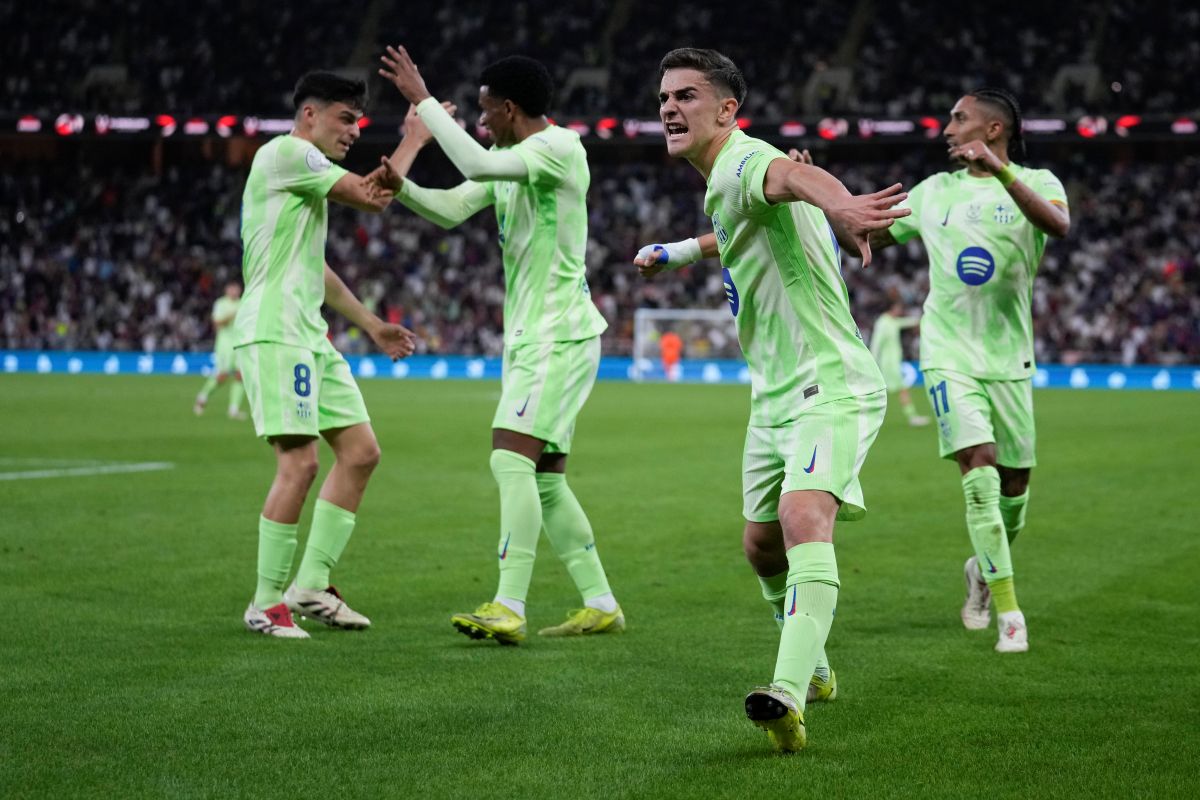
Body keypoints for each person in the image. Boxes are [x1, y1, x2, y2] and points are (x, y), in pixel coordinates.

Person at [633, 48, 908, 752]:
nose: (669, 106)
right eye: (664, 95)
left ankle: (785, 696)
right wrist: (679, 252)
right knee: (760, 549)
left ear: (726, 110)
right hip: (774, 395)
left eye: (687, 95)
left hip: (831, 381)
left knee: (802, 516)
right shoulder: (724, 183)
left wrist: (839, 199)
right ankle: (813, 667)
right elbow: (740, 226)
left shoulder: (741, 161)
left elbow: (791, 174)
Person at [372, 47, 623, 644]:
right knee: (544, 479)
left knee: (509, 458)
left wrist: (423, 101)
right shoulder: (514, 161)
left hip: (558, 335)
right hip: (536, 338)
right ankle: (601, 601)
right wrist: (402, 187)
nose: (481, 123)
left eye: (485, 112)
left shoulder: (559, 149)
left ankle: (509, 604)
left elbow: (476, 166)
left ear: (510, 109)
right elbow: (455, 207)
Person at [869, 89, 1070, 654]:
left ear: (995, 127)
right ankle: (1009, 612)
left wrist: (1001, 172)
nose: (947, 128)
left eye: (959, 119)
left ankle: (982, 570)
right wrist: (818, 208)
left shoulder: (1040, 181)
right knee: (978, 472)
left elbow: (1058, 226)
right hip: (946, 353)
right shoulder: (935, 193)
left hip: (1008, 358)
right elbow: (870, 236)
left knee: (1015, 489)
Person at [236, 71, 415, 639]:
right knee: (301, 464)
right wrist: (414, 138)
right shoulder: (287, 153)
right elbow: (372, 195)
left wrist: (372, 326)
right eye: (346, 119)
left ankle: (310, 583)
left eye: (359, 123)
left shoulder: (303, 181)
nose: (354, 132)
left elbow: (317, 269)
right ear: (309, 114)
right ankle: (266, 603)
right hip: (276, 330)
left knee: (360, 452)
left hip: (309, 334)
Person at [193, 281, 248, 420]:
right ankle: (202, 397)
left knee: (240, 375)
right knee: (222, 376)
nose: (234, 291)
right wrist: (232, 315)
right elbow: (217, 323)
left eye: (236, 289)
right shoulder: (221, 303)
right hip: (225, 345)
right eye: (232, 289)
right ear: (226, 290)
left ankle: (233, 410)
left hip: (240, 343)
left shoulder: (243, 302)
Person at [870, 300, 929, 426]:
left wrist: (920, 318)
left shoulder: (892, 322)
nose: (900, 311)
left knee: (887, 391)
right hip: (888, 364)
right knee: (901, 390)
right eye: (898, 308)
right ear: (892, 308)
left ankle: (870, 419)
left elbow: (905, 322)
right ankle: (912, 417)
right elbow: (876, 343)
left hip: (894, 363)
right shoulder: (883, 323)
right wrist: (872, 363)